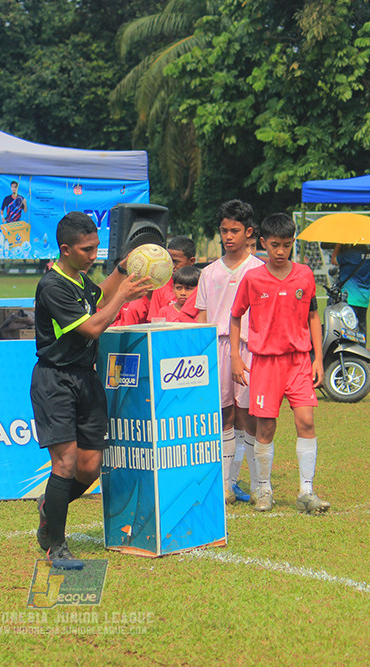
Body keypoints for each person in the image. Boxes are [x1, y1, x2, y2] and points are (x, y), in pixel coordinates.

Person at [32, 211, 151, 565]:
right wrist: (124, 295)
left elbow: (99, 296)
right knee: (65, 463)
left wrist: (123, 270)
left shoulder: (80, 279)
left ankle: (48, 506)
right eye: (87, 249)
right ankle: (57, 546)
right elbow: (93, 326)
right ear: (65, 249)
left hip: (86, 378)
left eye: (97, 247)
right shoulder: (51, 286)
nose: (93, 255)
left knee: (89, 466)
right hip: (55, 381)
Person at [230, 212, 328, 514]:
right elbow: (236, 316)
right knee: (265, 428)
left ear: (293, 243)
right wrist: (235, 356)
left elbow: (313, 315)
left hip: (299, 361)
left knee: (307, 421)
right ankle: (263, 489)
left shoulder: (305, 275)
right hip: (266, 364)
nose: (281, 251)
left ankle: (306, 492)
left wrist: (318, 358)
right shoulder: (253, 277)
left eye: (286, 244)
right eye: (275, 245)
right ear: (262, 243)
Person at [195, 200, 264, 504]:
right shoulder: (209, 272)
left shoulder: (260, 270)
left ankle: (257, 482)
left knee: (249, 416)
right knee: (222, 413)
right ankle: (224, 485)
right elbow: (200, 316)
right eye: (224, 230)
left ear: (249, 232)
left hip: (251, 346)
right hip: (218, 344)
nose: (228, 236)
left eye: (235, 230)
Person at [148, 236, 197, 321]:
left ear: (191, 261)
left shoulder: (202, 285)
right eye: (169, 261)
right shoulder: (161, 286)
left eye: (176, 261)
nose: (171, 265)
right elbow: (155, 320)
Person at [330, 244, 370, 337]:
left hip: (350, 297)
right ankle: (362, 350)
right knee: (362, 329)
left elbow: (334, 260)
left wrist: (337, 245)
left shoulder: (350, 254)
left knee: (349, 329)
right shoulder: (369, 253)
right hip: (364, 297)